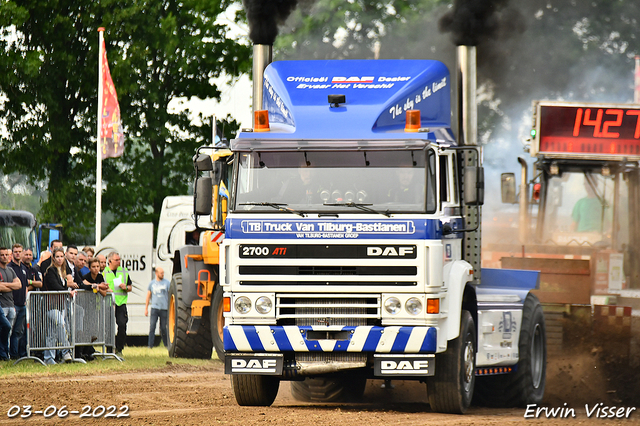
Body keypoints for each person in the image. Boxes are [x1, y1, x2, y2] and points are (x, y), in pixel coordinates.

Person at [42, 247, 75, 365]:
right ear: (53, 258)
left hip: (60, 305)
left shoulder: (63, 271)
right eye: (57, 257)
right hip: (50, 305)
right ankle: (66, 351)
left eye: (62, 256)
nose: (60, 259)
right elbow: (56, 286)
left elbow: (66, 285)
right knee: (61, 324)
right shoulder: (51, 270)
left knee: (52, 333)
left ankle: (48, 358)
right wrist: (68, 291)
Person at [103, 252, 132, 357]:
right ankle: (109, 349)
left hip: (121, 303)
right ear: (110, 261)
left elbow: (130, 287)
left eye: (119, 259)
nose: (119, 261)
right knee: (109, 327)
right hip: (109, 303)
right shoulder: (104, 272)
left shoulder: (124, 272)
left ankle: (119, 348)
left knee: (122, 325)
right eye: (116, 260)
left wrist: (126, 287)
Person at [8, 244, 28, 359]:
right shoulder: (10, 267)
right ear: (12, 253)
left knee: (19, 331)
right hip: (13, 304)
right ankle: (11, 354)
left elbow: (25, 286)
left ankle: (19, 354)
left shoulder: (23, 268)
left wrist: (25, 299)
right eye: (15, 251)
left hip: (22, 304)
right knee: (11, 331)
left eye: (20, 251)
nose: (18, 253)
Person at [0, 247, 20, 361]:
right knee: (4, 328)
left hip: (11, 305)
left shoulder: (10, 270)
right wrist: (11, 286)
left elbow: (19, 285)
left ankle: (6, 354)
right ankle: (3, 354)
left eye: (6, 255)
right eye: (2, 255)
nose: (4, 257)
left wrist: (5, 286)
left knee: (10, 332)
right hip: (2, 305)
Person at [144, 267, 170, 349]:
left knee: (163, 328)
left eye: (163, 273)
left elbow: (170, 295)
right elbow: (148, 296)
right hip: (155, 308)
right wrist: (146, 308)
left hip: (164, 308)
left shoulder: (167, 283)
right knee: (152, 327)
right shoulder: (152, 284)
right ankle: (150, 345)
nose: (162, 274)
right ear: (156, 273)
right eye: (161, 273)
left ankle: (166, 344)